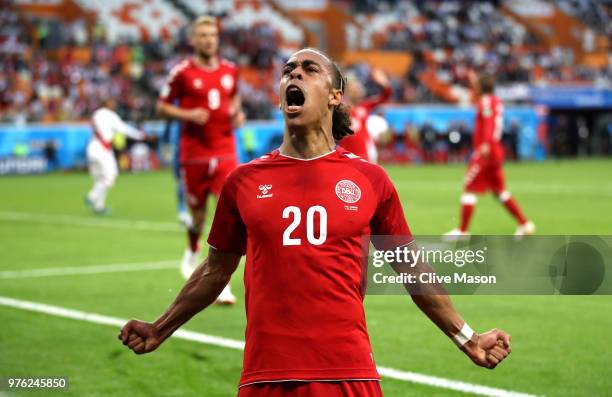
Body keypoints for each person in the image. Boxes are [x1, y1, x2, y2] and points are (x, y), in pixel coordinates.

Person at [120, 49, 511, 397]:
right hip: (265, 376)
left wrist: (467, 338)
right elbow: (215, 269)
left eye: (309, 69)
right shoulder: (242, 181)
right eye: (288, 70)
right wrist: (160, 328)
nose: (294, 75)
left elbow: (413, 270)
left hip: (349, 373)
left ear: (335, 95)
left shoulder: (371, 180)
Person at [157, 15, 245, 304]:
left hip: (224, 151)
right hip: (194, 154)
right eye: (203, 35)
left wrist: (237, 114)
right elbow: (162, 107)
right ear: (193, 40)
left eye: (213, 35)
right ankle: (192, 250)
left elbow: (234, 98)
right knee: (197, 216)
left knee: (228, 214)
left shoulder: (231, 70)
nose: (209, 40)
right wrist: (188, 115)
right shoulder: (182, 73)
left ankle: (222, 281)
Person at [446, 75, 535, 237]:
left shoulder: (486, 102)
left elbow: (488, 122)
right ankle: (525, 224)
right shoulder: (495, 100)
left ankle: (462, 231)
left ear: (481, 87)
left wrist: (485, 143)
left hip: (486, 151)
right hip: (495, 150)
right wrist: (474, 80)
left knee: (468, 188)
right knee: (499, 191)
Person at [85, 102, 146, 214]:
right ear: (107, 105)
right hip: (102, 149)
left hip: (92, 147)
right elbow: (123, 129)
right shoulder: (109, 115)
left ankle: (99, 207)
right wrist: (140, 135)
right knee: (111, 176)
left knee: (101, 178)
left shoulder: (96, 114)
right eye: (112, 104)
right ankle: (92, 196)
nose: (114, 105)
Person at [340, 68, 392, 162]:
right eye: (355, 88)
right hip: (347, 151)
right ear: (348, 91)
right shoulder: (340, 107)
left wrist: (384, 84)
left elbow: (385, 96)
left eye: (359, 88)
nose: (358, 90)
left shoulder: (365, 106)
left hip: (364, 151)